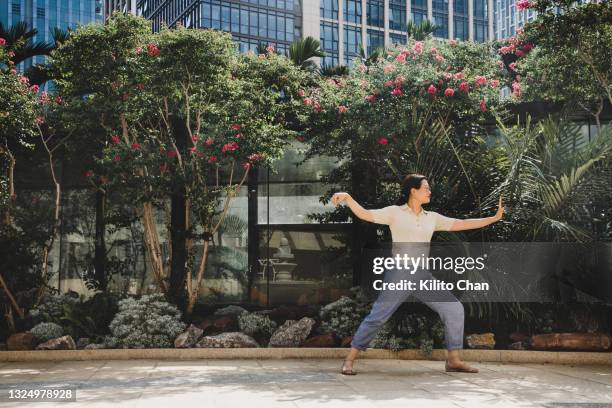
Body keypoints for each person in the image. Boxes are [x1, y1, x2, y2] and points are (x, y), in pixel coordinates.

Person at [330, 174, 505, 375]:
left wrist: (493, 218)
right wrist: (348, 197)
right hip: (400, 273)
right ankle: (349, 360)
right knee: (378, 316)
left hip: (422, 275)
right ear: (413, 190)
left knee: (454, 308)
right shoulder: (395, 213)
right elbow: (366, 214)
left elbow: (462, 223)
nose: (430, 191)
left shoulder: (432, 218)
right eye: (426, 188)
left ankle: (454, 360)